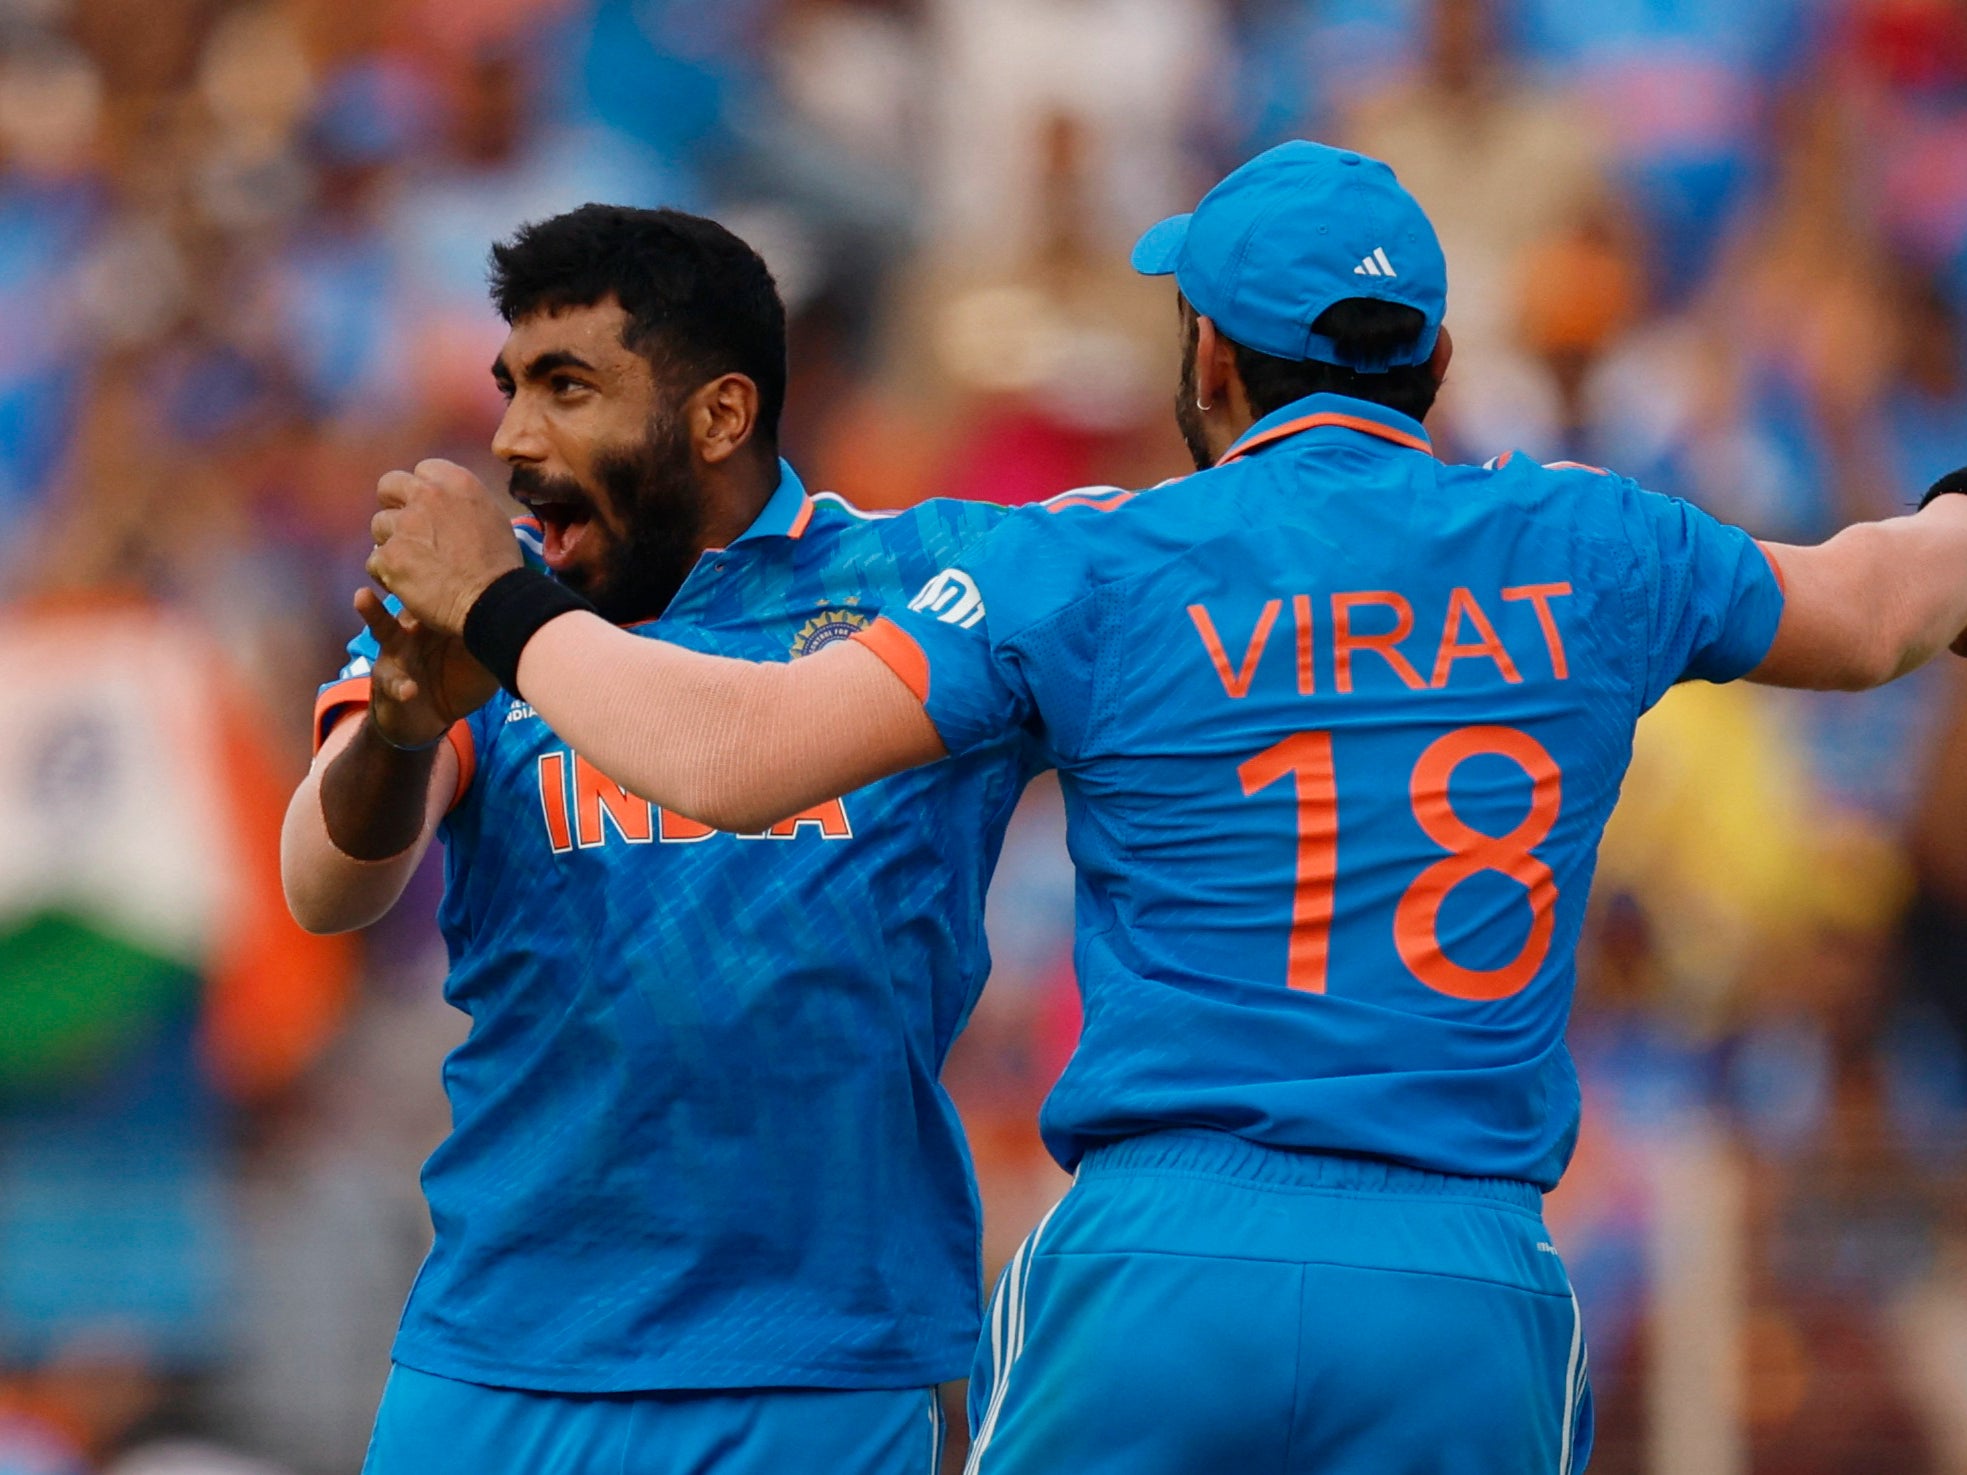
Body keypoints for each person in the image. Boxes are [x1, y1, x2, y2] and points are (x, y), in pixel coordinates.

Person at [364, 146, 1967, 1473]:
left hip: (1152, 1259)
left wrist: (498, 608)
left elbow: (731, 756)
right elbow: (1877, 605)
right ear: (1437, 367)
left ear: (1205, 358)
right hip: (1459, 1265)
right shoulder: (1596, 542)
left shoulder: (1094, 564)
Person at [281, 205, 1040, 1475]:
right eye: (509, 386)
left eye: (569, 388)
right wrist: (402, 729)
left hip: (820, 1358)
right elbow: (324, 885)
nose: (515, 439)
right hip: (501, 1346)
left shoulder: (928, 585)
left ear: (720, 416)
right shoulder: (475, 597)